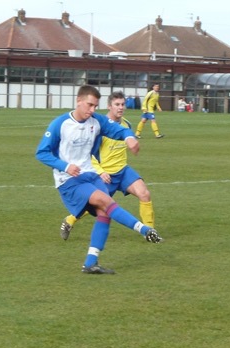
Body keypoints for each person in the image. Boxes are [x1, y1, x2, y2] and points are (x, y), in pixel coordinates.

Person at [36, 85, 163, 274]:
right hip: (69, 180)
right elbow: (42, 153)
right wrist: (65, 166)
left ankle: (90, 263)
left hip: (90, 176)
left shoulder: (96, 121)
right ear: (78, 101)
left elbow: (119, 130)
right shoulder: (60, 124)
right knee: (106, 201)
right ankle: (144, 230)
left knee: (105, 213)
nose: (93, 110)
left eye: (95, 106)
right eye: (89, 105)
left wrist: (129, 138)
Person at [59, 91, 155, 241]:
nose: (121, 107)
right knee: (95, 205)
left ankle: (150, 231)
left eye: (123, 104)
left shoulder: (126, 125)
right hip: (105, 175)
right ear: (109, 106)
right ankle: (69, 220)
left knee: (144, 194)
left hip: (123, 171)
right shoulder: (99, 127)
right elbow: (88, 154)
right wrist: (100, 171)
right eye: (117, 104)